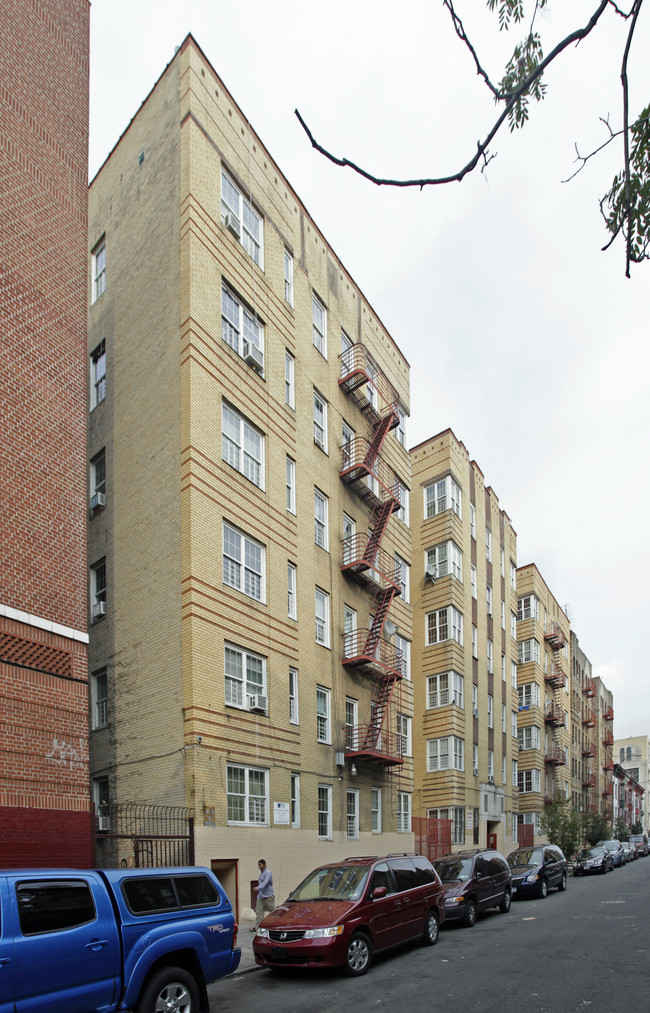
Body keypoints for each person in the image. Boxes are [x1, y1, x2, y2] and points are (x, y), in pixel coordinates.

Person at [252, 859, 275, 931]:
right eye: (258, 865)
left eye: (260, 865)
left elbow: (265, 882)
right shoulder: (261, 874)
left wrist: (258, 888)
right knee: (259, 911)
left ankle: (278, 924)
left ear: (264, 865)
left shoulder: (268, 873)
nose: (259, 867)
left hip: (268, 896)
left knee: (273, 911)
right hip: (261, 896)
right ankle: (256, 927)